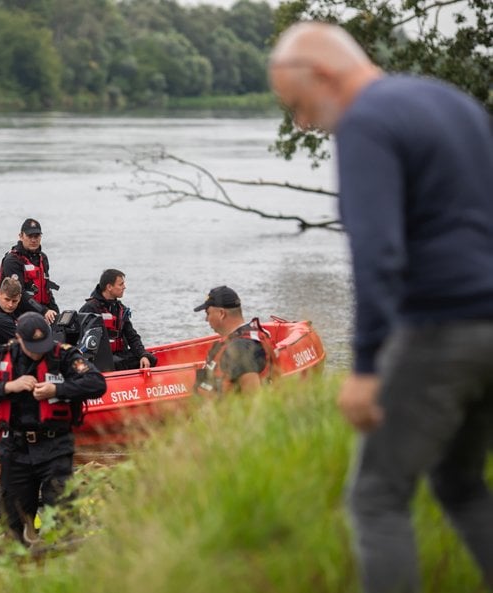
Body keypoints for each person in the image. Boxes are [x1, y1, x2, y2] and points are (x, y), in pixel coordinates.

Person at [269, 22, 493, 593]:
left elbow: (378, 253)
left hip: (442, 330)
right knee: (458, 482)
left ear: (321, 75)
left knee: (376, 499)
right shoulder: (453, 103)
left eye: (297, 104)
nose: (302, 123)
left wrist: (366, 367)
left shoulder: (365, 121)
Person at [0, 312, 106, 543]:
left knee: (64, 512)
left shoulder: (63, 354)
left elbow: (96, 383)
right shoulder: (3, 355)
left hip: (54, 445)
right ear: (19, 339)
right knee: (14, 519)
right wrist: (9, 386)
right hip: (15, 447)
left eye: (41, 345)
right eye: (32, 346)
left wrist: (58, 390)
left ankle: (64, 557)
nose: (38, 351)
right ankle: (20, 561)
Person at [192, 286, 273, 395]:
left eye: (208, 313)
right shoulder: (239, 340)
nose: (206, 319)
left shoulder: (240, 348)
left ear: (221, 314)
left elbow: (254, 399)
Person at [79, 268, 157, 371]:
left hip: (120, 355)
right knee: (115, 363)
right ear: (109, 287)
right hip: (99, 359)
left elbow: (132, 337)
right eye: (121, 284)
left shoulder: (121, 309)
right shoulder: (90, 308)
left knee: (151, 359)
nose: (124, 287)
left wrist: (143, 355)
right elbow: (80, 340)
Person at [0, 218, 59, 323]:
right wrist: (44, 311)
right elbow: (18, 293)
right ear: (21, 236)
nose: (33, 240)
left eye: (36, 236)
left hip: (40, 312)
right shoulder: (12, 260)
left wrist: (55, 313)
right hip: (18, 314)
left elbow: (47, 289)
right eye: (30, 236)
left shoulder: (42, 258)